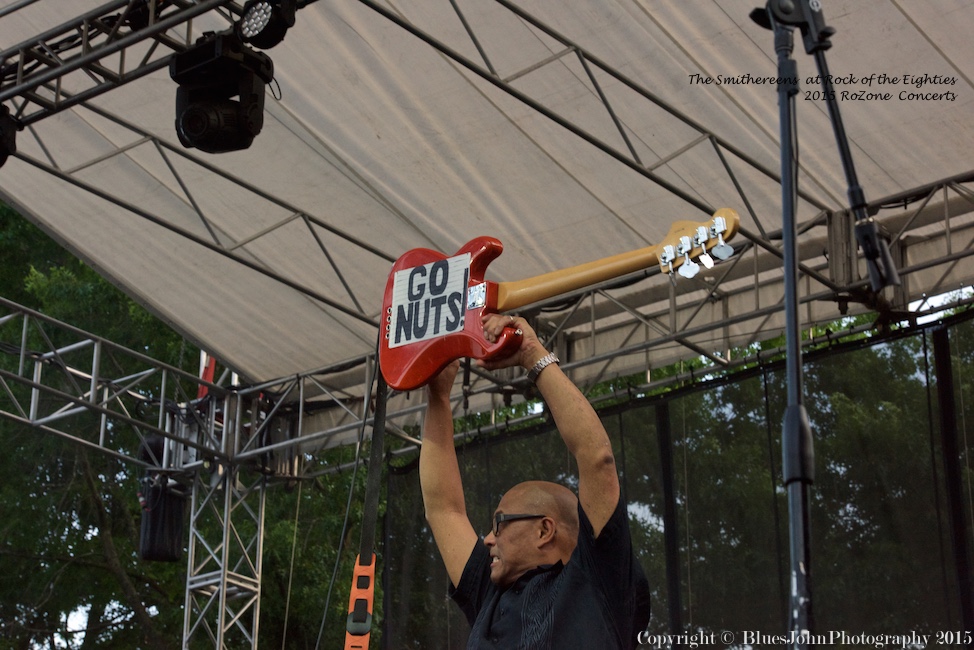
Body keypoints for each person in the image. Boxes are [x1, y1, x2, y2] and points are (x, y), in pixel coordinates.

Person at [420, 312, 651, 648]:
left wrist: (531, 354)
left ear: (545, 530)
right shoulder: (490, 594)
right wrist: (438, 395)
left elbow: (596, 458)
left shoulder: (595, 581)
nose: (486, 539)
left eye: (499, 523)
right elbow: (443, 510)